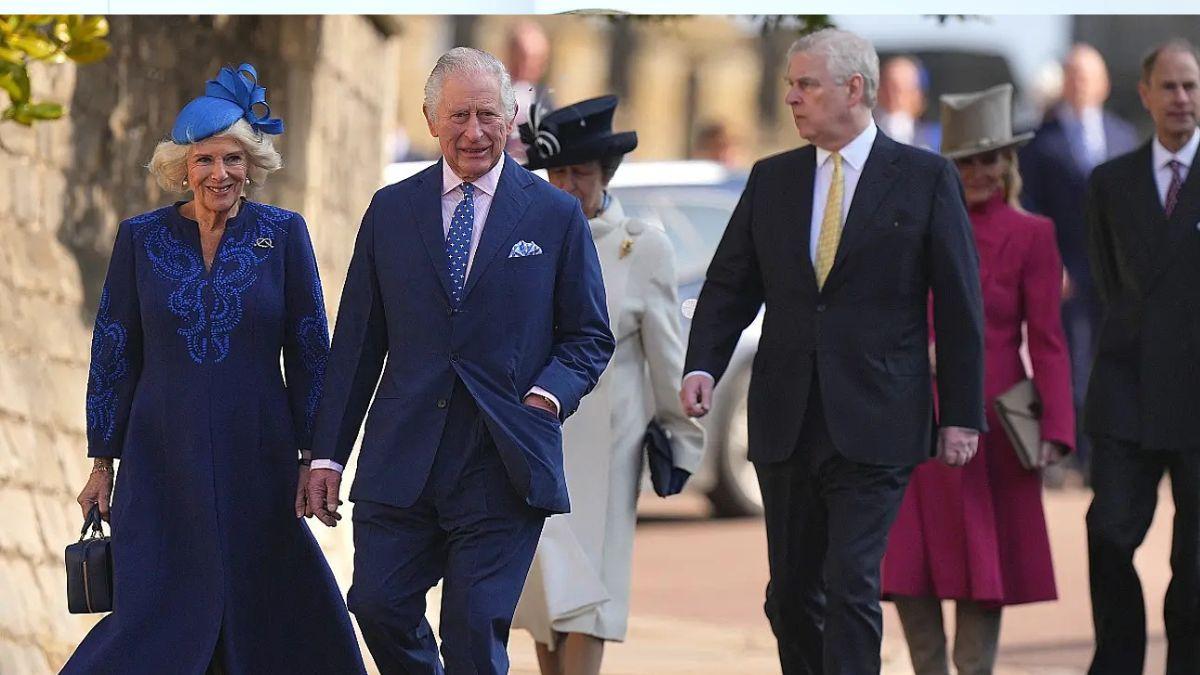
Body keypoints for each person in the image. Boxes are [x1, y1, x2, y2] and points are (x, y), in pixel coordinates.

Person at [679, 28, 986, 674]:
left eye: (805, 84)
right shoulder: (772, 180)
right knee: (791, 595)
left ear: (854, 89)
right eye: (790, 84)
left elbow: (960, 306)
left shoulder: (925, 178)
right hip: (786, 418)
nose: (790, 97)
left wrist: (961, 412)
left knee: (852, 587)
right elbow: (731, 283)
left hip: (879, 419)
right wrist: (703, 360)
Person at [303, 47, 614, 675]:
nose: (474, 131)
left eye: (487, 116)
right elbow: (358, 343)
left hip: (502, 459)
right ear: (430, 120)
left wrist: (546, 397)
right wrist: (328, 453)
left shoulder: (553, 215)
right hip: (403, 456)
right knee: (377, 604)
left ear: (510, 120)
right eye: (459, 116)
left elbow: (588, 335)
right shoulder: (391, 210)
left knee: (473, 633)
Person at [65, 63, 365, 674]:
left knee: (269, 603)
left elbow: (310, 349)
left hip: (257, 453)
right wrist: (103, 460)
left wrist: (316, 457)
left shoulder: (283, 235)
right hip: (160, 455)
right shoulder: (139, 239)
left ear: (251, 165)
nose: (219, 174)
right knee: (155, 604)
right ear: (181, 168)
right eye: (204, 161)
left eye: (233, 160)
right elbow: (115, 350)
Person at [882, 83, 1076, 675]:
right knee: (908, 562)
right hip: (916, 415)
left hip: (993, 423)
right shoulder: (915, 227)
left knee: (982, 567)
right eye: (965, 161)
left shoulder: (1033, 235)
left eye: (989, 158)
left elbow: (1047, 339)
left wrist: (1057, 427)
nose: (979, 171)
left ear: (1008, 162)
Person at [511, 95, 705, 675]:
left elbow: (667, 356)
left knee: (590, 598)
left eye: (582, 174)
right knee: (545, 594)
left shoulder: (642, 246)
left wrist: (681, 437)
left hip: (609, 443)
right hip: (538, 437)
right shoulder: (528, 239)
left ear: (606, 176)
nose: (569, 186)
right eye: (559, 173)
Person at [1084, 39, 1200, 675]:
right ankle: (1118, 663)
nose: (1181, 99)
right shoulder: (1110, 181)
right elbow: (1108, 282)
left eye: (1191, 86)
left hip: (1198, 400)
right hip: (1127, 394)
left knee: (1197, 565)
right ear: (1145, 94)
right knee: (1108, 536)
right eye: (1170, 87)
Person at [1019, 44, 1139, 482]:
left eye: (1089, 75)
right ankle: (1063, 450)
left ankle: (1099, 457)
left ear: (1104, 83)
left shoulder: (1125, 135)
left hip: (1117, 275)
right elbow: (1029, 205)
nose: (1081, 83)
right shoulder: (1037, 142)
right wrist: (1049, 263)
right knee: (1068, 361)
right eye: (1073, 75)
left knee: (1112, 361)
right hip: (1065, 270)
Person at [505, 20, 554, 163]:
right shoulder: (492, 90)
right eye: (524, 56)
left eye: (537, 59)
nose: (530, 64)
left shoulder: (544, 97)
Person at [875, 55, 941, 151]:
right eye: (887, 87)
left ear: (918, 95)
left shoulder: (935, 140)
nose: (893, 96)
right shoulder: (860, 137)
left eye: (903, 89)